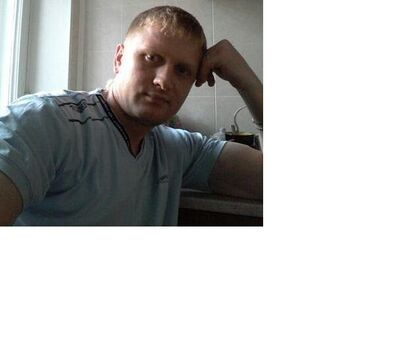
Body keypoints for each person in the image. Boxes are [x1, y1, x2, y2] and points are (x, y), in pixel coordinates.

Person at [0, 6, 263, 226]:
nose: (164, 80)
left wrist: (248, 83)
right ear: (119, 58)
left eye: (182, 70)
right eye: (151, 57)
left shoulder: (178, 150)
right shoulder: (46, 122)